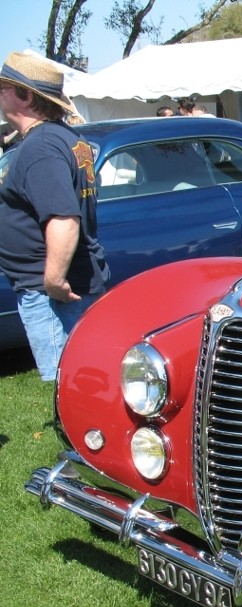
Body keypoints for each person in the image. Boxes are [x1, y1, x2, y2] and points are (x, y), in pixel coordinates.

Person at [0, 52, 109, 381]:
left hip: (53, 293)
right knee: (85, 381)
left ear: (25, 94)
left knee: (70, 387)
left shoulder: (41, 147)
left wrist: (53, 279)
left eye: (3, 87)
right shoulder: (66, 138)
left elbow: (63, 218)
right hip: (70, 284)